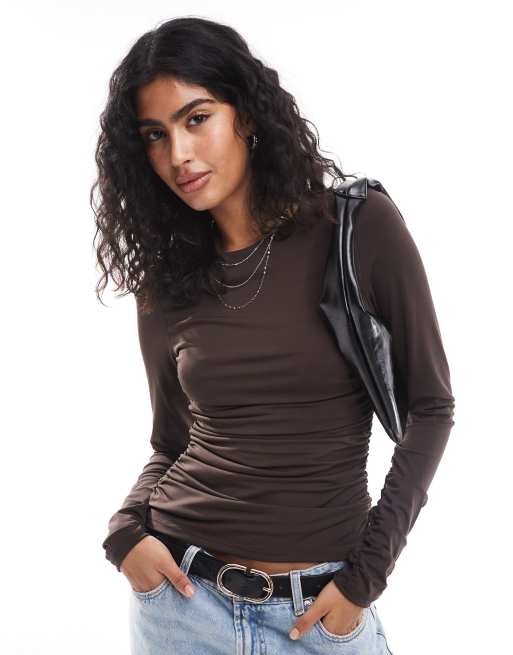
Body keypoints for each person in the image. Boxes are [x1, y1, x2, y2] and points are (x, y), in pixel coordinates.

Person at [92, 16, 455, 655]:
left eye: (197, 118)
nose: (178, 154)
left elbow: (431, 408)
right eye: (155, 135)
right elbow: (172, 441)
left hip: (319, 612)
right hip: (181, 606)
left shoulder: (357, 228)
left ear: (248, 114)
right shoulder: (167, 282)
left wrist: (366, 578)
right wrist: (125, 533)